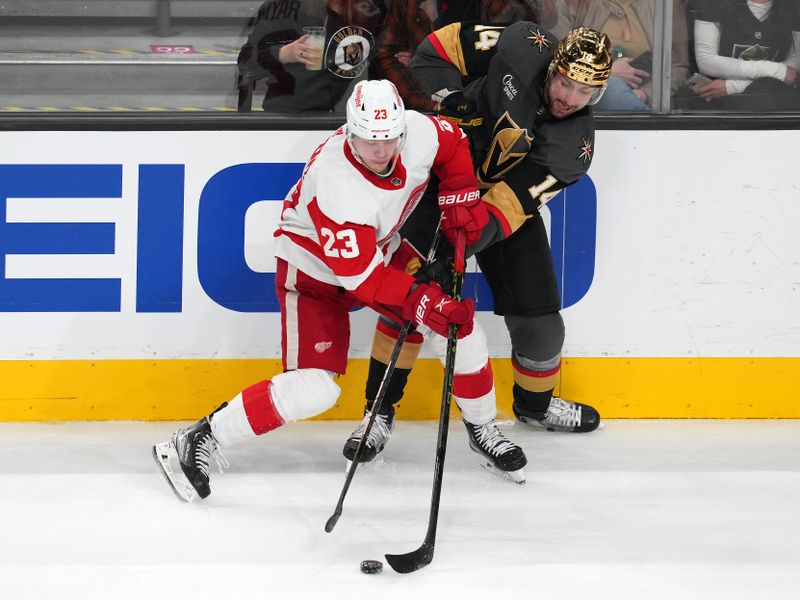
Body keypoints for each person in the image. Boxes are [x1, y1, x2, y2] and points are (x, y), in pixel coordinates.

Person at [153, 79, 527, 502]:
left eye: (390, 139)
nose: (383, 151)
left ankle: (482, 427)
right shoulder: (336, 183)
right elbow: (362, 279)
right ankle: (200, 437)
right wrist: (420, 301)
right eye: (371, 141)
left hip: (379, 251)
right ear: (350, 132)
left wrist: (459, 193)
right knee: (316, 389)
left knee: (457, 325)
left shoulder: (416, 132)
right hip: (314, 276)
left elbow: (453, 141)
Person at [342, 22, 609, 465]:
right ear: (553, 67)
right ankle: (378, 412)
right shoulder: (525, 45)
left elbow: (511, 204)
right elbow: (432, 51)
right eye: (565, 82)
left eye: (586, 91)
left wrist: (453, 246)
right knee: (409, 298)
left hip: (497, 212)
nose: (570, 98)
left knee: (543, 327)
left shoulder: (573, 147)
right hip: (437, 182)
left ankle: (535, 407)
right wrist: (449, 98)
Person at [371, 0, 558, 111]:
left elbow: (532, 39)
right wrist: (429, 100)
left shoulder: (499, 6)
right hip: (425, 108)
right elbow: (386, 54)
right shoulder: (410, 3)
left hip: (483, 113)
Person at [236, 0, 387, 112]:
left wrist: (399, 54)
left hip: (354, 115)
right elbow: (246, 60)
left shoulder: (373, 10)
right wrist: (283, 54)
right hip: (293, 116)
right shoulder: (284, 7)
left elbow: (384, 53)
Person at [551, 0, 690, 111]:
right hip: (585, 102)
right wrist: (607, 74)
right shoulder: (571, 3)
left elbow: (678, 67)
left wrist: (646, 94)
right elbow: (555, 63)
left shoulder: (666, 5)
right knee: (612, 88)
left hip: (646, 108)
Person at [680, 0, 800, 111]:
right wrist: (776, 70)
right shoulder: (712, 3)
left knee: (766, 92)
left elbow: (793, 69)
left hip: (771, 102)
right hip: (715, 104)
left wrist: (733, 87)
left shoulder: (793, 7)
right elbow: (706, 61)